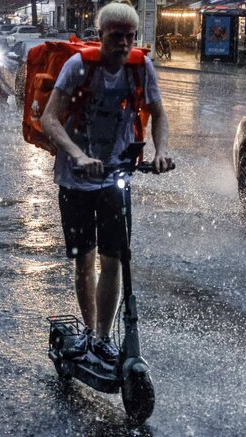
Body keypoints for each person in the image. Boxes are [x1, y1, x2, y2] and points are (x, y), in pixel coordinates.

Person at [41, 0, 172, 363]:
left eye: (130, 37)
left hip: (116, 176)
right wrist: (78, 155)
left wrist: (162, 150)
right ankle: (87, 331)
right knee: (84, 259)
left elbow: (158, 113)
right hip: (75, 179)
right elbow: (50, 120)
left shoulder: (140, 67)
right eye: (116, 37)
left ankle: (101, 338)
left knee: (114, 258)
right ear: (100, 36)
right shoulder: (78, 66)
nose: (124, 45)